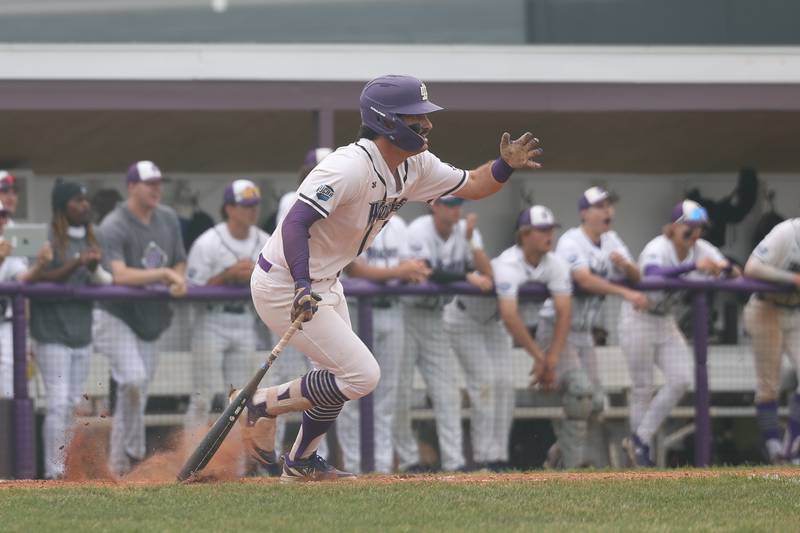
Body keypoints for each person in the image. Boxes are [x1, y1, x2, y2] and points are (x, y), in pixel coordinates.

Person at [240, 74, 542, 482]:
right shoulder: (347, 167)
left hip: (325, 280)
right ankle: (260, 406)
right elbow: (296, 223)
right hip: (284, 282)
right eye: (416, 117)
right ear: (387, 122)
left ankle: (300, 462)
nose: (427, 124)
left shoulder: (415, 165)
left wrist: (504, 165)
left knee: (339, 377)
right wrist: (301, 285)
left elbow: (472, 184)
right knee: (361, 374)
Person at [446, 205, 572, 470]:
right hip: (465, 319)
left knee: (504, 386)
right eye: (541, 230)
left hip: (492, 324)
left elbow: (564, 311)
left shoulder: (556, 263)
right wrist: (539, 357)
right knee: (485, 384)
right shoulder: (507, 264)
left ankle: (499, 458)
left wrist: (551, 361)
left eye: (550, 229)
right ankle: (482, 459)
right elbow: (510, 315)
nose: (549, 235)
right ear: (524, 235)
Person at [620, 200, 738, 467]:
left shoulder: (702, 249)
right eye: (689, 228)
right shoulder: (657, 247)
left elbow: (735, 271)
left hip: (665, 319)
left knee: (681, 378)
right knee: (642, 388)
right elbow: (652, 274)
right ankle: (640, 455)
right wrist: (694, 268)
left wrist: (724, 268)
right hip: (638, 317)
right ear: (673, 229)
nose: (695, 235)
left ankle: (639, 439)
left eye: (699, 229)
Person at [538, 186, 647, 468]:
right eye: (599, 206)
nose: (607, 210)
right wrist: (624, 293)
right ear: (584, 213)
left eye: (609, 205)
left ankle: (556, 456)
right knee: (581, 391)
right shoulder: (571, 240)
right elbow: (583, 279)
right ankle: (572, 470)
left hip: (584, 332)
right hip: (557, 326)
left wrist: (626, 266)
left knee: (596, 403)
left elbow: (637, 275)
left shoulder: (611, 240)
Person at [93, 160, 187, 476]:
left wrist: (179, 277)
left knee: (136, 392)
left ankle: (120, 466)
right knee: (132, 379)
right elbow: (118, 274)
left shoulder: (168, 218)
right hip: (116, 316)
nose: (157, 189)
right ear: (131, 186)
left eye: (159, 183)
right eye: (150, 184)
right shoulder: (114, 223)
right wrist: (163, 274)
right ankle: (131, 457)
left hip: (151, 320)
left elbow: (180, 261)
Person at [395, 198, 493, 472]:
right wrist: (466, 275)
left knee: (448, 391)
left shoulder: (467, 232)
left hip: (436, 318)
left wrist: (473, 244)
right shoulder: (417, 229)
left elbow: (489, 275)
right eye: (449, 203)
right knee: (400, 392)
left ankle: (455, 462)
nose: (455, 208)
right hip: (407, 314)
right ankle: (408, 460)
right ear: (434, 206)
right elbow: (426, 269)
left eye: (458, 203)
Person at [29, 181, 112, 479]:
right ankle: (53, 471)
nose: (84, 205)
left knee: (73, 403)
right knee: (59, 401)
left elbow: (105, 281)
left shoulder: (93, 236)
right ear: (63, 205)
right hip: (51, 331)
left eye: (85, 200)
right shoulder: (48, 235)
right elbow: (36, 279)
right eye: (77, 200)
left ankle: (65, 468)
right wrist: (77, 262)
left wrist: (92, 267)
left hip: (81, 332)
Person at [335, 214, 430, 473]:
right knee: (351, 393)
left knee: (387, 395)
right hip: (355, 310)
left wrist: (409, 271)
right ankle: (354, 466)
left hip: (392, 310)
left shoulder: (398, 224)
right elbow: (354, 268)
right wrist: (400, 272)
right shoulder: (353, 220)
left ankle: (382, 467)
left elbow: (413, 267)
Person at [184, 180, 269, 445]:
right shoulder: (209, 242)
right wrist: (228, 275)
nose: (251, 211)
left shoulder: (265, 241)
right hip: (211, 320)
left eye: (254, 205)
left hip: (245, 322)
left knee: (239, 398)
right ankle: (189, 456)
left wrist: (255, 275)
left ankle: (235, 464)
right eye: (245, 206)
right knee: (202, 396)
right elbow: (193, 289)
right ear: (229, 208)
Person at [743, 216, 800, 464]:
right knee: (768, 385)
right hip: (765, 309)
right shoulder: (787, 232)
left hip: (795, 311)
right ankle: (774, 447)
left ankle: (792, 448)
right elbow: (752, 268)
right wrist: (793, 279)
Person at [0, 200, 52, 399]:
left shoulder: (9, 242)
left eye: (4, 215)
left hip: (5, 320)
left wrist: (40, 265)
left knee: (9, 371)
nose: (2, 220)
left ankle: (6, 427)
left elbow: (21, 279)